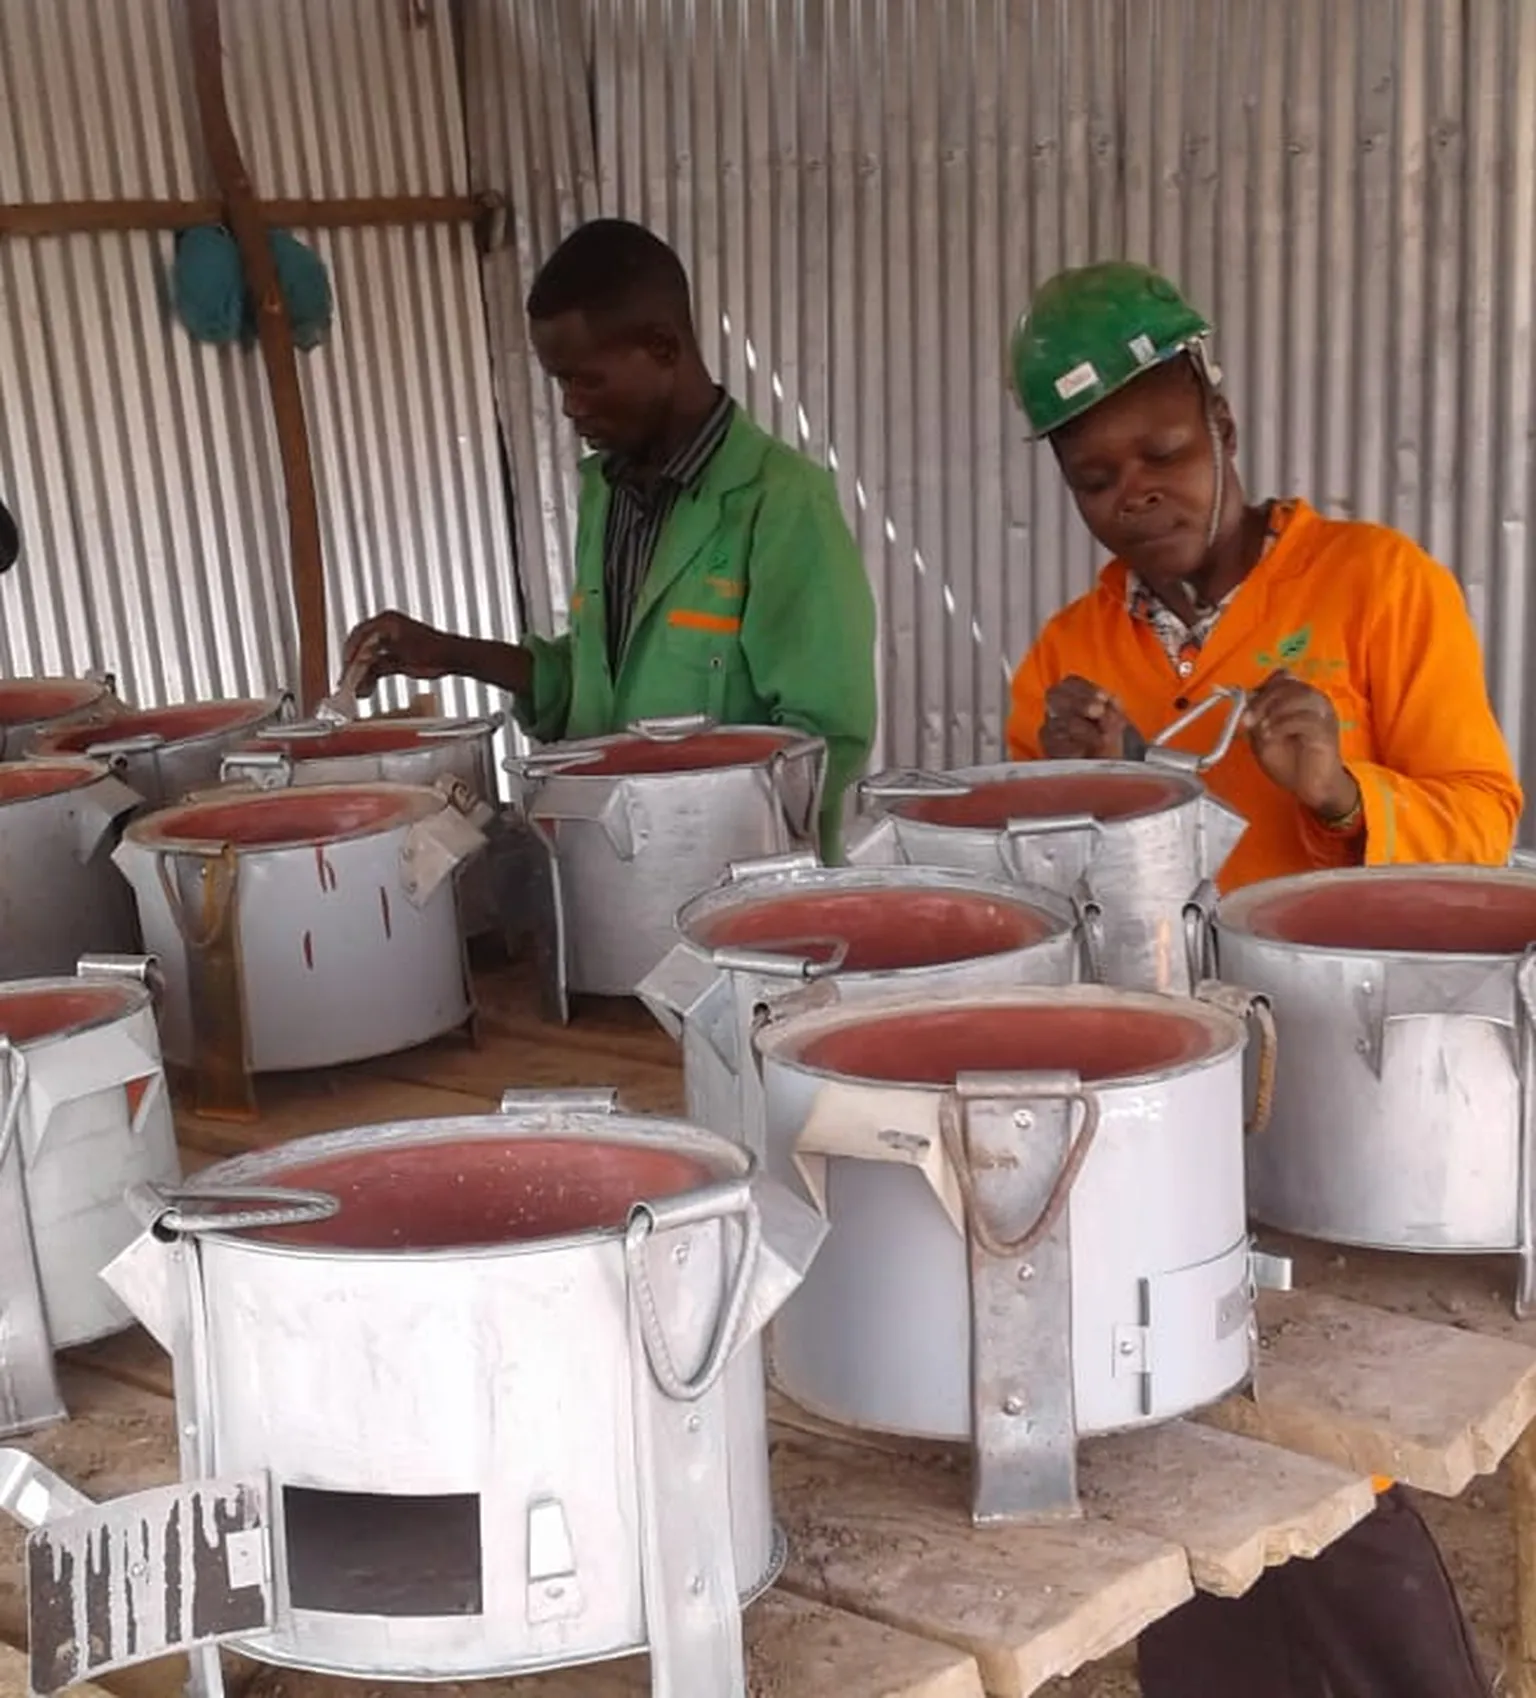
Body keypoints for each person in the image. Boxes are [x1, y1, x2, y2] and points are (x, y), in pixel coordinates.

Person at [1005, 260, 1518, 1697]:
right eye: (1098, 475)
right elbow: (1033, 909)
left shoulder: (1374, 586)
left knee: (1325, 1443)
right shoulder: (1070, 657)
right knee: (1172, 1421)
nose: (1139, 492)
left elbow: (1483, 820)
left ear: (1223, 419)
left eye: (1164, 449)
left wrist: (1347, 793)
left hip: (1352, 1104)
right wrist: (1067, 790)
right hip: (1159, 1107)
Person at [341, 218, 877, 860]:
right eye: (558, 382)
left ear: (662, 347)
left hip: (741, 900)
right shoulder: (610, 492)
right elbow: (594, 698)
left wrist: (672, 848)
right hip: (611, 886)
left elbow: (826, 743)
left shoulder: (781, 503)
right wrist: (451, 653)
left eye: (583, 379)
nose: (569, 407)